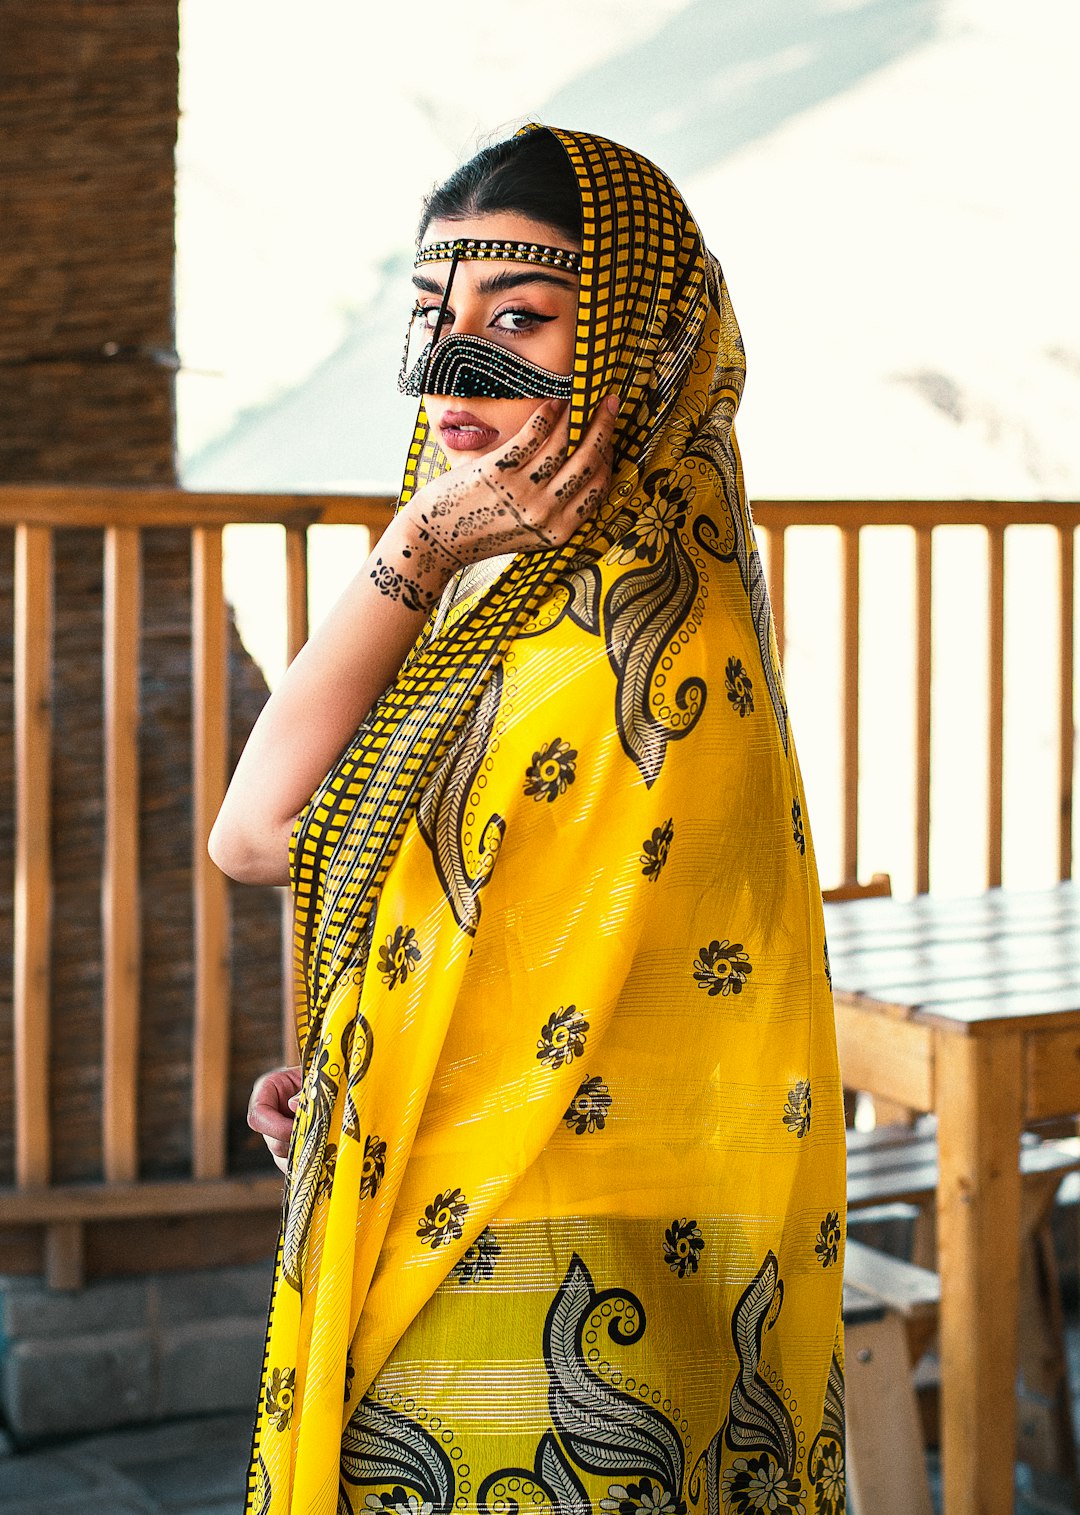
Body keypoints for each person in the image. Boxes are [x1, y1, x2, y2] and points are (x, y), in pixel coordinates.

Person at [210, 124, 846, 1515]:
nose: (456, 373)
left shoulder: (643, 640)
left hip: (550, 1272)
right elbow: (283, 844)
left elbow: (259, 838)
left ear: (635, 339)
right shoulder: (521, 598)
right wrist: (347, 1050)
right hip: (478, 1227)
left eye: (521, 320)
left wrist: (419, 549)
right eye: (433, 323)